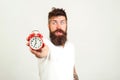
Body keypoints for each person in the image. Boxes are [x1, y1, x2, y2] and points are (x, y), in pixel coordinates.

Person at [27, 7, 79, 80]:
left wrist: (75, 77)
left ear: (66, 25)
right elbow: (43, 51)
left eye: (62, 22)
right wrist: (38, 49)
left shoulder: (70, 46)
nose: (58, 27)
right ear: (48, 26)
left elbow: (72, 69)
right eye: (54, 23)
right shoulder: (45, 43)